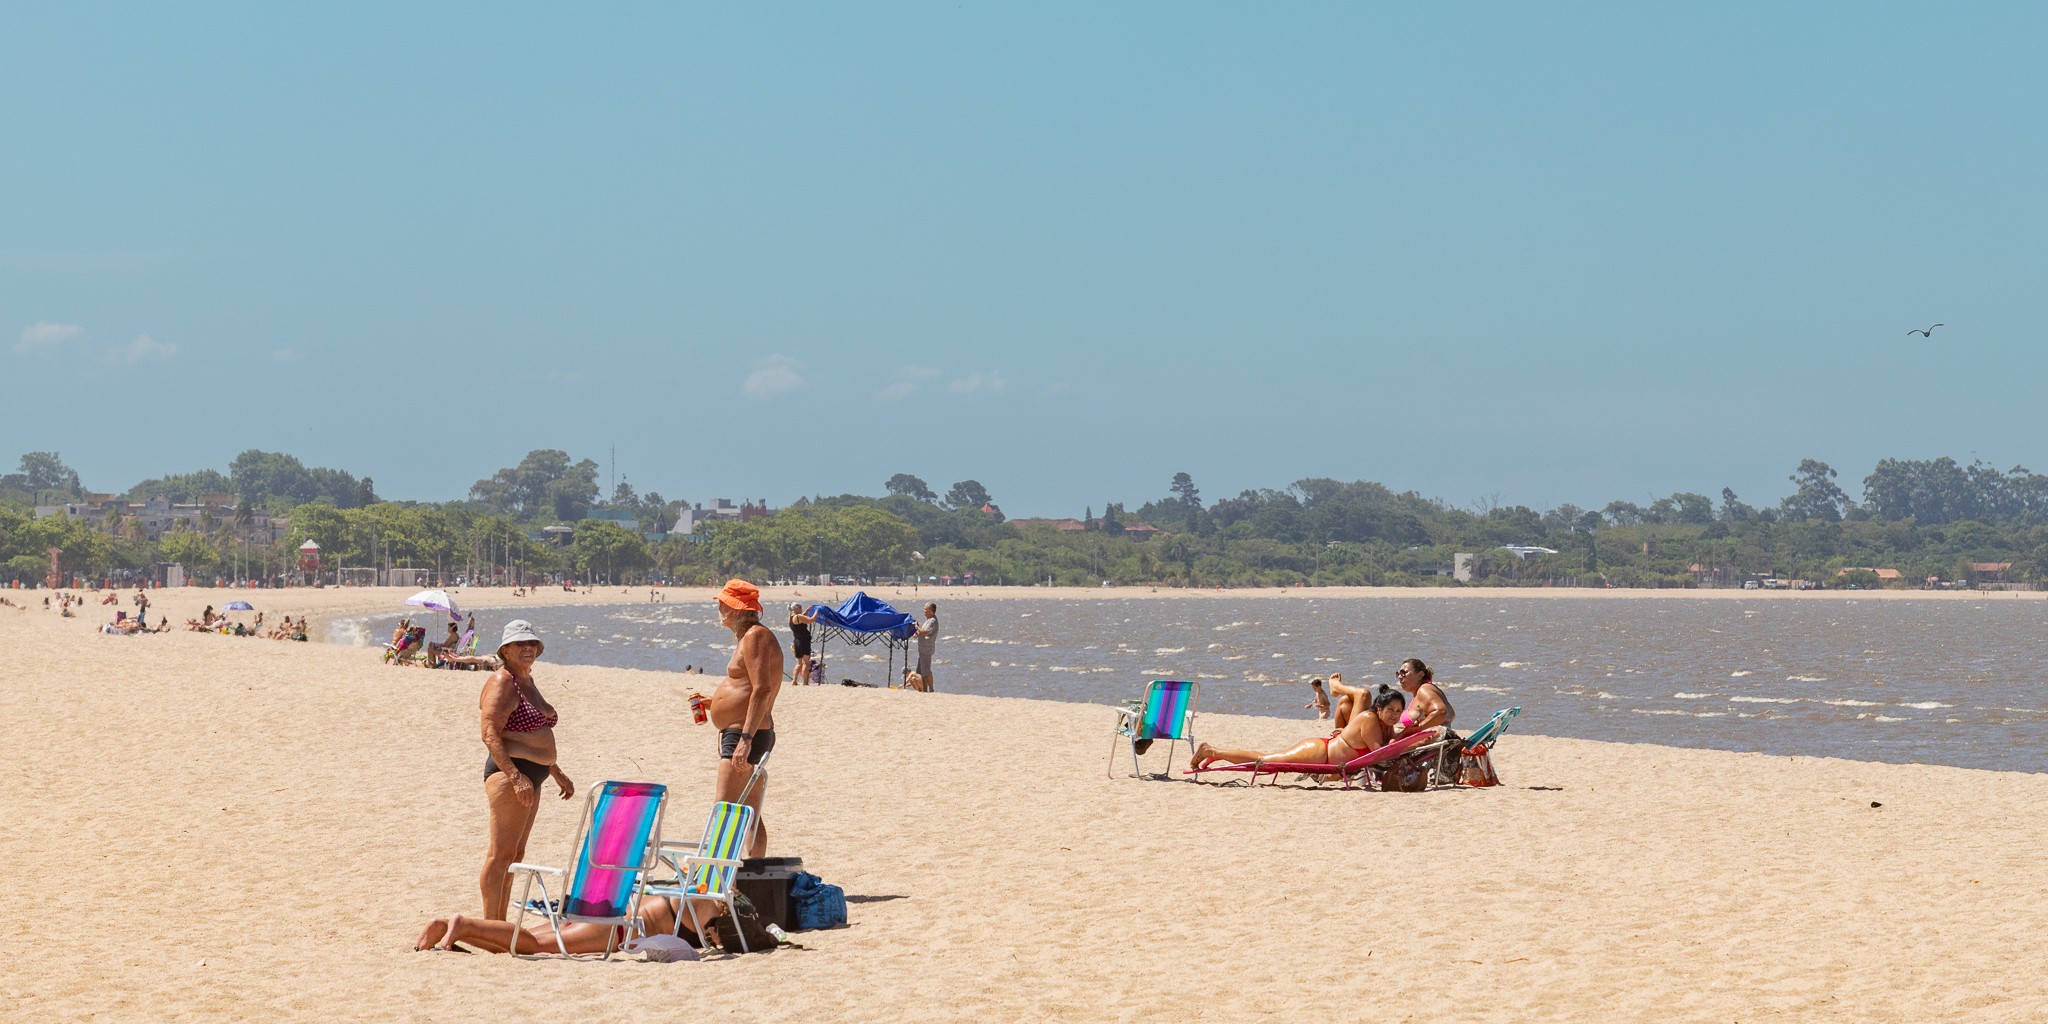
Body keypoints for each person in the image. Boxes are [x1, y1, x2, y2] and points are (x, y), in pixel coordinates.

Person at [478, 620, 575, 920]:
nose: (528, 648)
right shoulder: (502, 682)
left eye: (531, 643)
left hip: (533, 776)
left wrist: (555, 770)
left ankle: (499, 923)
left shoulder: (526, 681)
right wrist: (515, 776)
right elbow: (490, 732)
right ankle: (490, 924)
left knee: (515, 855)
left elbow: (536, 733)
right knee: (500, 854)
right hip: (511, 776)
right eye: (521, 644)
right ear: (505, 650)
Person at [709, 579, 783, 858]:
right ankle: (753, 873)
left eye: (723, 604)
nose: (719, 608)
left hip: (747, 732)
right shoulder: (751, 636)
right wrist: (715, 701)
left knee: (725, 806)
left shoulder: (755, 636)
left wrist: (745, 739)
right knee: (749, 809)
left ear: (738, 610)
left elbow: (763, 689)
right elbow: (749, 687)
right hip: (746, 730)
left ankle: (717, 873)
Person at [414, 890, 715, 954]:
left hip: (600, 906)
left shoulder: (688, 889)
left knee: (518, 941)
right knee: (534, 946)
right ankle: (464, 925)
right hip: (616, 928)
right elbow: (727, 941)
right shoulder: (709, 909)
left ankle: (451, 930)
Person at [1192, 688, 1408, 771]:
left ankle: (1215, 753)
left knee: (1266, 761)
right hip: (1318, 753)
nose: (1395, 715)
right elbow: (1379, 753)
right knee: (1265, 762)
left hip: (1324, 755)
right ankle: (1212, 751)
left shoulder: (1385, 725)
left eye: (1399, 711)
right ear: (1379, 708)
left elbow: (1389, 746)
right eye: (1390, 709)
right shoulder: (1370, 719)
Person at [787, 602, 817, 685]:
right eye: (800, 608)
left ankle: (794, 680)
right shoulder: (799, 617)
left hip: (796, 642)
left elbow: (802, 617)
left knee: (799, 663)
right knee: (806, 663)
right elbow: (811, 620)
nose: (801, 609)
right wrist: (817, 612)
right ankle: (805, 682)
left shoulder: (791, 617)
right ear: (797, 609)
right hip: (804, 641)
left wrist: (807, 610)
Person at [912, 602, 939, 691]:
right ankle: (924, 689)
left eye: (925, 609)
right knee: (920, 671)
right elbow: (922, 633)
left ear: (931, 611)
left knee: (926, 671)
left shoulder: (932, 621)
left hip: (926, 649)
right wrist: (917, 633)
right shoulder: (928, 620)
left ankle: (931, 689)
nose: (923, 611)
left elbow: (924, 632)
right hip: (923, 649)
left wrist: (917, 627)